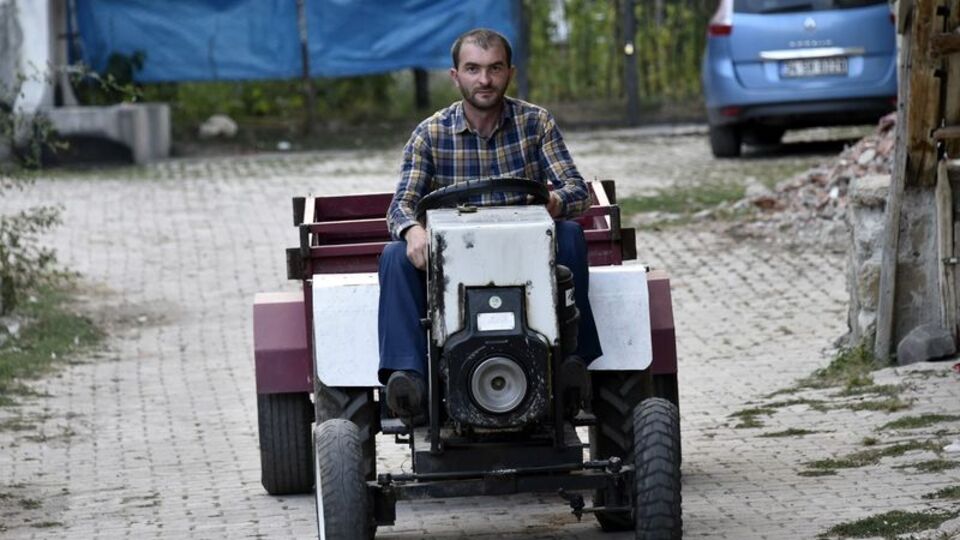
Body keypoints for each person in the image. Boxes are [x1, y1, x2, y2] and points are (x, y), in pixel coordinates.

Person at [378, 28, 601, 420]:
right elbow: (402, 205)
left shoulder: (536, 123)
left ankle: (571, 363)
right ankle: (410, 378)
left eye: (495, 68)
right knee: (394, 256)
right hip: (453, 259)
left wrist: (553, 202)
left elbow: (577, 190)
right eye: (473, 69)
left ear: (510, 73)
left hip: (526, 253)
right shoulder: (430, 134)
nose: (484, 79)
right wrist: (413, 231)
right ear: (455, 76)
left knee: (569, 234)